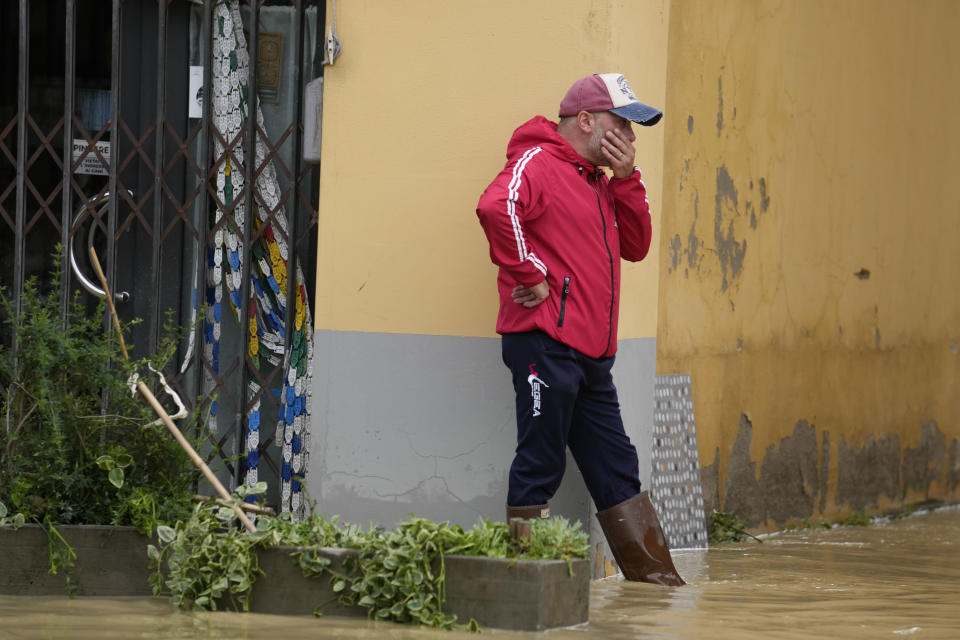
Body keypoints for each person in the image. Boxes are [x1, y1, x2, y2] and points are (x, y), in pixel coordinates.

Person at [475, 73, 684, 586]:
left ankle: (658, 590)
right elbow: (495, 207)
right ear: (586, 120)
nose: (630, 138)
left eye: (634, 130)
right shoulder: (538, 160)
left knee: (618, 469)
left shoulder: (601, 180)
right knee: (540, 460)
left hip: (592, 355)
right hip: (543, 342)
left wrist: (627, 178)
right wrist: (531, 275)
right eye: (622, 125)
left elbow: (635, 246)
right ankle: (527, 587)